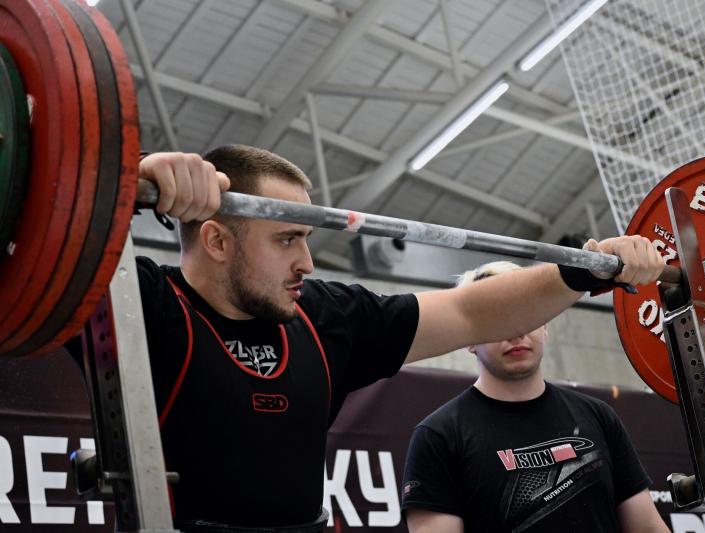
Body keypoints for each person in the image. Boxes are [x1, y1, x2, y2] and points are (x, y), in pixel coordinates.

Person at [135, 146, 665, 532]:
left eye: (307, 239)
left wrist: (588, 271)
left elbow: (468, 310)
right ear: (216, 241)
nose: (307, 262)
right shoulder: (142, 304)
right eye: (287, 239)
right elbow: (78, 254)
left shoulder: (324, 317)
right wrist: (131, 175)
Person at [401, 261, 670, 533]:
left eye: (526, 313)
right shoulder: (439, 436)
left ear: (545, 324)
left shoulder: (598, 416)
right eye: (496, 317)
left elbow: (647, 527)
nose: (516, 331)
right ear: (469, 338)